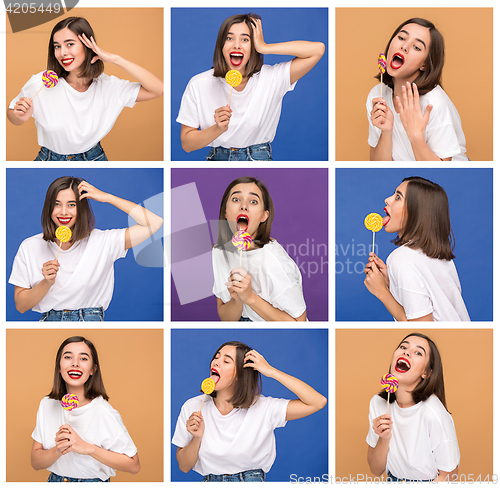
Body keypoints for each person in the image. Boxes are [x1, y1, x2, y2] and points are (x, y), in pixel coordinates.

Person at [7, 16, 163, 161]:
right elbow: (12, 113)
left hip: (94, 157)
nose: (62, 53)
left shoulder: (109, 87)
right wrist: (19, 116)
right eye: (57, 46)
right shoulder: (40, 83)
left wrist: (116, 59)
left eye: (70, 44)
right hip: (49, 158)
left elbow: (158, 89)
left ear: (88, 45)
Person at [9, 176, 163, 320]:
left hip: (90, 320)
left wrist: (108, 197)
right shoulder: (29, 246)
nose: (63, 211)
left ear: (81, 208)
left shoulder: (103, 241)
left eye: (71, 205)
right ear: (49, 208)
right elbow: (21, 306)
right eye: (57, 204)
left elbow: (155, 223)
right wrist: (46, 283)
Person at [177, 13, 325, 161]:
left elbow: (318, 50)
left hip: (259, 158)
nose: (236, 45)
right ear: (221, 45)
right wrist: (217, 129)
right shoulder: (198, 83)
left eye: (245, 39)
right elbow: (187, 144)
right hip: (217, 159)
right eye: (229, 38)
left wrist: (264, 47)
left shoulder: (271, 77)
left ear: (253, 46)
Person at [173, 341, 327, 481]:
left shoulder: (264, 407)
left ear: (240, 375)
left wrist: (271, 371)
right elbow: (184, 466)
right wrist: (197, 438)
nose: (216, 362)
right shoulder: (192, 406)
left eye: (226, 361)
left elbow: (317, 402)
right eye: (217, 357)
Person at [31, 336, 140, 482]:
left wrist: (87, 448)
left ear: (93, 370)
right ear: (59, 366)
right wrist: (58, 449)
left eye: (83, 358)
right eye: (68, 357)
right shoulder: (47, 404)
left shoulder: (103, 411)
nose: (75, 363)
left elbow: (134, 465)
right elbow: (36, 463)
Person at [364, 176, 470, 321]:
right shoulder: (438, 255)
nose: (387, 200)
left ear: (417, 212)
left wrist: (381, 291)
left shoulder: (402, 259)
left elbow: (422, 329)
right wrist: (391, 282)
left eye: (398, 197)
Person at [367, 18, 467, 161]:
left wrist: (416, 137)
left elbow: (442, 172)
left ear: (425, 64)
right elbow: (378, 164)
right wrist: (386, 132)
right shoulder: (377, 96)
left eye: (417, 47)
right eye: (401, 38)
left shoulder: (434, 104)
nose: (404, 46)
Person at [367, 333, 459, 481]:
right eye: (403, 346)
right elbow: (375, 469)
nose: (406, 352)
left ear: (426, 373)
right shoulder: (378, 403)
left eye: (418, 352)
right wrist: (383, 438)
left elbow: (450, 475)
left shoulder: (433, 412)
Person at [212, 176, 306, 321]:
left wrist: (250, 297)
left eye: (253, 201)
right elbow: (226, 318)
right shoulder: (219, 252)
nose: (243, 206)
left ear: (264, 216)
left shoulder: (273, 260)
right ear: (225, 211)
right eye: (236, 199)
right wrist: (237, 299)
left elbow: (299, 324)